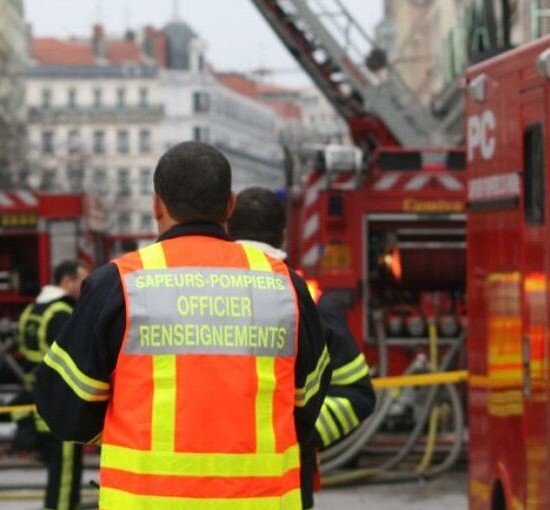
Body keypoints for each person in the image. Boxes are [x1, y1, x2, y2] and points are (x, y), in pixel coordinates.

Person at [34, 142, 331, 509]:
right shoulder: (285, 286)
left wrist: (126, 422)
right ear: (230, 205)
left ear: (156, 204)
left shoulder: (119, 284)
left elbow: (63, 407)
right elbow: (306, 402)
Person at [229, 187, 376, 509]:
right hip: (286, 485)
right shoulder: (309, 298)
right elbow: (357, 394)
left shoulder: (199, 295)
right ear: (283, 236)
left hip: (201, 482)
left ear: (227, 229)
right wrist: (300, 434)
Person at [17, 260, 88, 510]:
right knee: (65, 472)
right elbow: (75, 360)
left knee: (55, 470)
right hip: (63, 406)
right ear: (67, 281)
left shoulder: (32, 311)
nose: (85, 285)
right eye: (82, 280)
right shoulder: (62, 314)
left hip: (38, 403)